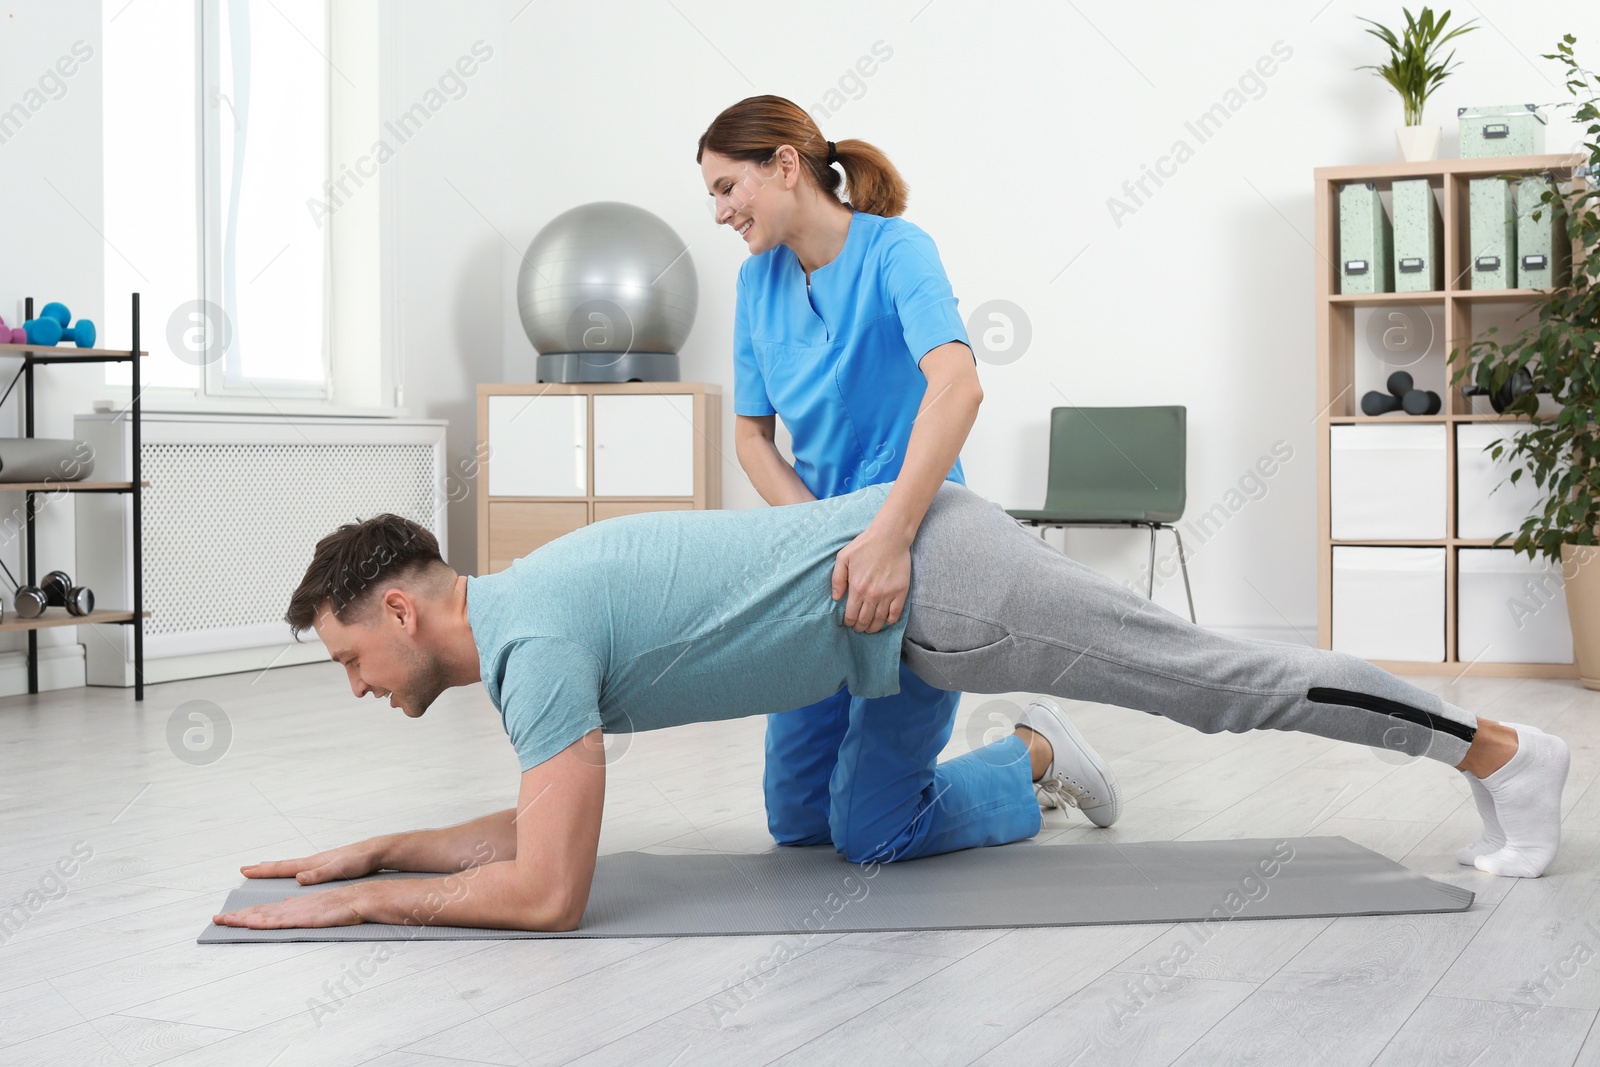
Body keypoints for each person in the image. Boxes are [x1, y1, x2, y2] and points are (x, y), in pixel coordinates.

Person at [212, 482, 1569, 932]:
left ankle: (1504, 746)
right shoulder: (523, 622)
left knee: (1214, 681)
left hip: (946, 585)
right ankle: (1034, 752)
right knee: (830, 823)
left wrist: (361, 901)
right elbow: (533, 831)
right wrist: (378, 847)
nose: (355, 684)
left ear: (399, 608)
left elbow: (547, 887)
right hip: (890, 640)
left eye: (345, 656)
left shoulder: (536, 640)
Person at [696, 94, 1119, 851]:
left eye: (728, 187)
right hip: (824, 557)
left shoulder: (898, 250)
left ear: (785, 166)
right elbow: (752, 437)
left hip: (918, 545)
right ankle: (957, 771)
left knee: (871, 830)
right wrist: (820, 533)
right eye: (714, 196)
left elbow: (959, 385)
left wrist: (887, 537)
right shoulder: (756, 284)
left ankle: (1033, 752)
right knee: (797, 823)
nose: (721, 211)